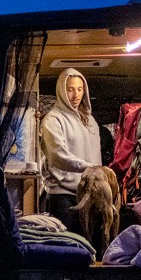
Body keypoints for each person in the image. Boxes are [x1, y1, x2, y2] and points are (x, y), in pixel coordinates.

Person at [40, 67, 102, 233]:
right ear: (62, 90)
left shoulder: (90, 121)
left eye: (80, 89)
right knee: (69, 248)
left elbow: (96, 156)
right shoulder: (53, 120)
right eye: (70, 89)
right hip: (63, 196)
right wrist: (89, 168)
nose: (76, 95)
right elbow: (57, 156)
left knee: (90, 248)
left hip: (89, 195)